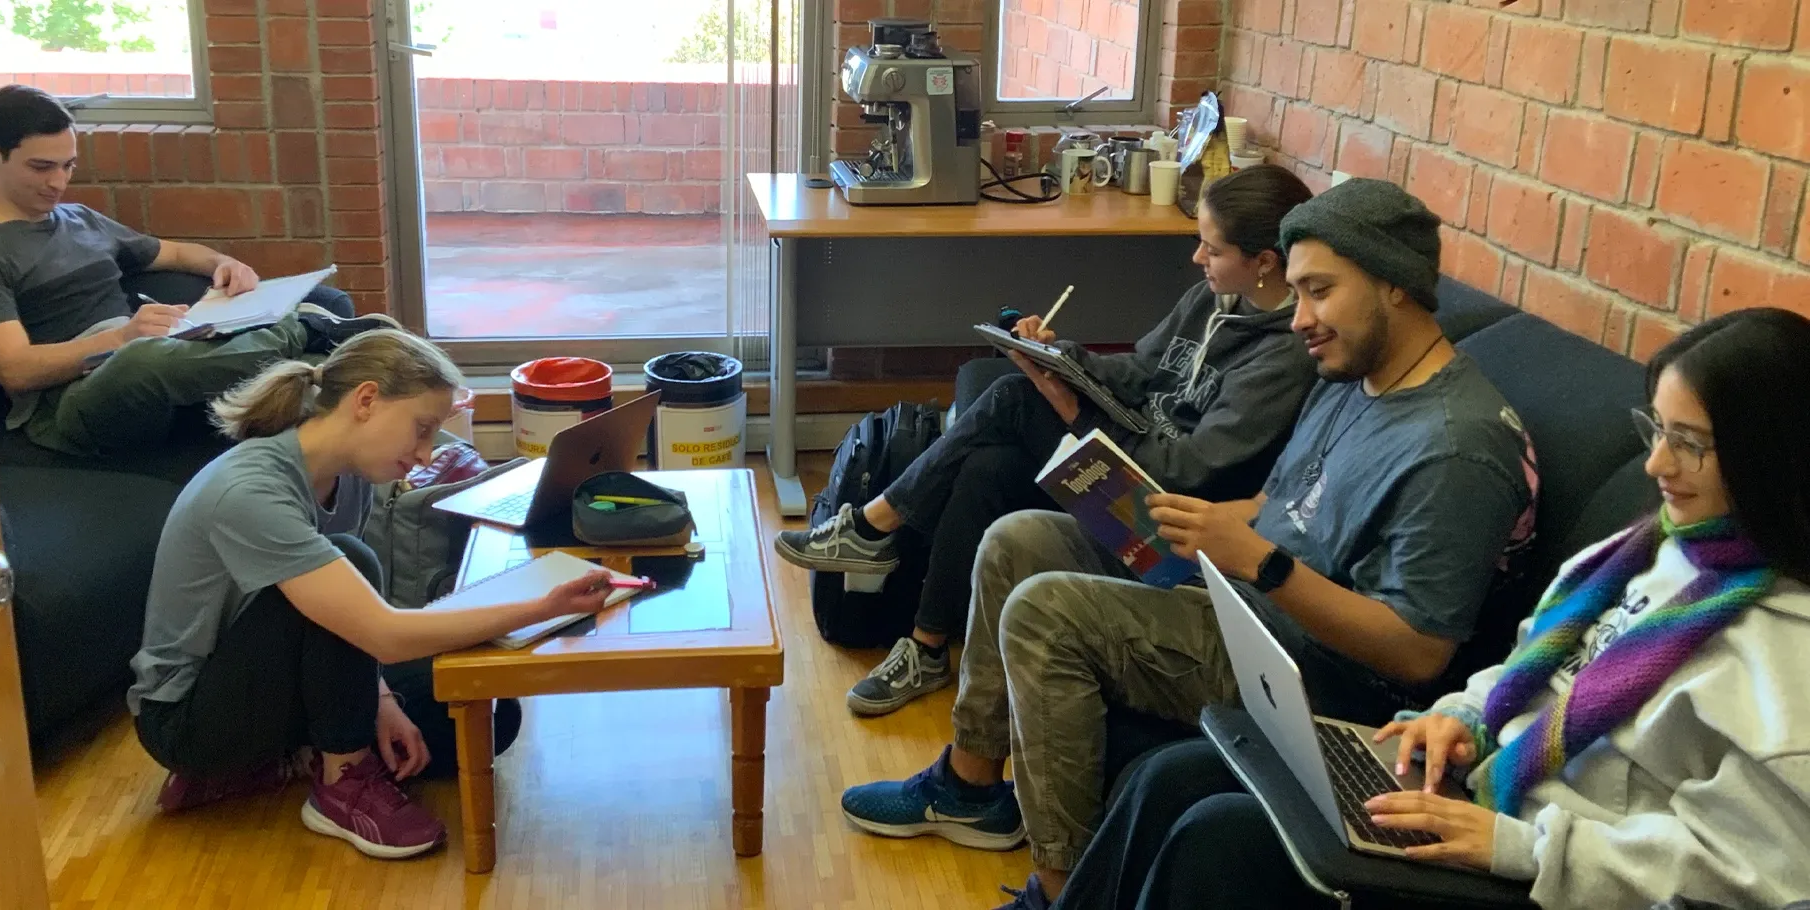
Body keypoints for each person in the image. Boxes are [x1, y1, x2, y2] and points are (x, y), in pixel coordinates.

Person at [838, 178, 1538, 909]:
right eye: (1296, 294)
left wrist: (1259, 563)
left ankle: (1064, 890)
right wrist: (1172, 521)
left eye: (1320, 291)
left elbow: (1417, 650)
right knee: (1019, 541)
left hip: (1308, 669)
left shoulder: (1459, 448)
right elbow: (1277, 502)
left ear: (1395, 282)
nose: (1301, 320)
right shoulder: (1352, 375)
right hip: (1239, 593)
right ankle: (970, 786)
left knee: (1048, 612)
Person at [1055, 307, 1810, 910]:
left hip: (1540, 870)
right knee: (1175, 776)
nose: (1655, 465)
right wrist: (1461, 717)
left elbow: (1752, 880)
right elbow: (1525, 668)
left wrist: (1517, 848)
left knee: (1225, 840)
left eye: (1690, 444)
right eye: (1657, 431)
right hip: (1481, 794)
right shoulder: (1652, 548)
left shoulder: (1786, 664)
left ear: (1773, 456)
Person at [775, 165, 1320, 717]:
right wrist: (1064, 358)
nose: (1197, 259)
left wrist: (1078, 416)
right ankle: (927, 645)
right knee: (986, 465)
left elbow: (1184, 471)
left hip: (1158, 517)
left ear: (1264, 263)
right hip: (1132, 454)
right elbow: (1138, 370)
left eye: (1212, 249)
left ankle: (873, 528)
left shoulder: (1282, 359)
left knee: (1014, 398)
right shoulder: (1212, 299)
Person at [127, 329, 620, 859]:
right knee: (353, 560)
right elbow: (379, 632)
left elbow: (344, 628)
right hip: (188, 718)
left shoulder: (349, 477)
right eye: (423, 428)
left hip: (269, 680)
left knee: (488, 716)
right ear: (366, 400)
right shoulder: (249, 491)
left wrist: (379, 699)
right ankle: (340, 784)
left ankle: (273, 763)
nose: (428, 452)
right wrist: (543, 607)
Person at [0, 84, 393, 458]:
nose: (58, 182)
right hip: (70, 404)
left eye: (68, 165)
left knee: (327, 301)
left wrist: (226, 265)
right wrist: (120, 338)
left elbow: (176, 253)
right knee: (141, 360)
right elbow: (15, 369)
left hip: (161, 357)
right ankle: (305, 333)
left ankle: (326, 354)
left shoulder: (80, 219)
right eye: (42, 167)